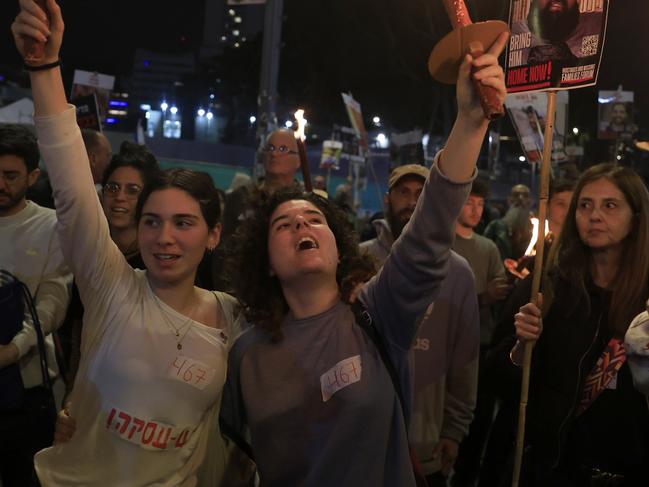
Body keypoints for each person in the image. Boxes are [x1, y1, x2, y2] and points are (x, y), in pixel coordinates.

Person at [219, 32, 508, 486]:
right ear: (268, 262)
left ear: (338, 247)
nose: (301, 227)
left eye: (314, 220)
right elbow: (234, 459)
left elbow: (428, 232)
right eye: (283, 225)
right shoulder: (245, 355)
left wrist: (470, 123)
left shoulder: (378, 316)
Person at [12, 2, 241, 485]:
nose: (164, 237)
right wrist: (45, 68)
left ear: (214, 234)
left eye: (184, 223)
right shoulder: (113, 287)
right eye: (153, 221)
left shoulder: (234, 318)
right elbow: (73, 185)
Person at [511, 163, 649, 486]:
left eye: (610, 206)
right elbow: (501, 384)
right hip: (557, 470)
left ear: (637, 217)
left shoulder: (646, 301)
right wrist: (521, 348)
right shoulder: (548, 288)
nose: (594, 215)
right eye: (585, 205)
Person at [361, 164, 479, 487]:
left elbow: (465, 359)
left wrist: (454, 430)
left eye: (421, 194)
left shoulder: (458, 274)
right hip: (362, 440)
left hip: (424, 441)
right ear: (388, 198)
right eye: (403, 192)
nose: (412, 202)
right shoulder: (358, 260)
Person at [0, 123, 72, 486]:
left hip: (27, 393)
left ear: (33, 176)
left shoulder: (51, 227)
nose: (0, 184)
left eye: (10, 175)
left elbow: (52, 301)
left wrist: (13, 350)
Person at [451, 179, 509, 487]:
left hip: (481, 346)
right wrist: (481, 298)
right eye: (469, 202)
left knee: (478, 424)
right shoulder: (443, 243)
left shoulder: (488, 248)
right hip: (447, 349)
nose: (475, 210)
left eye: (480, 204)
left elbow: (499, 291)